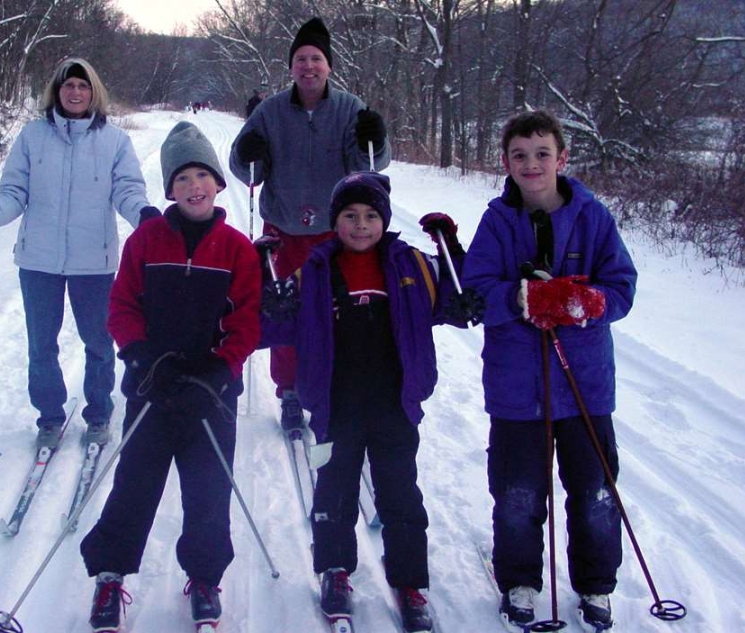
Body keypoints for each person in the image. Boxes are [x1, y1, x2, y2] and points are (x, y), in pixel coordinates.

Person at [259, 172, 478, 633]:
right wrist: (269, 292)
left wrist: (450, 248)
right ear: (334, 221)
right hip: (335, 406)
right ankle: (335, 572)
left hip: (394, 403)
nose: (361, 225)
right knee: (333, 489)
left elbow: (459, 306)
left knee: (399, 493)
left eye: (371, 216)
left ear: (385, 219)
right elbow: (272, 330)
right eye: (350, 216)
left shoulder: (412, 264)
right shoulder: (314, 269)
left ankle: (410, 583)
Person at [80, 121, 261, 633]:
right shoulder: (146, 241)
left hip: (211, 394)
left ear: (219, 184)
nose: (193, 186)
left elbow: (247, 320)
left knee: (208, 490)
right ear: (169, 189)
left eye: (202, 175)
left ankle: (204, 578)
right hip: (152, 389)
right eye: (182, 179)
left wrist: (220, 370)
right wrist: (139, 357)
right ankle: (110, 576)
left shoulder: (236, 249)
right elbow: (121, 306)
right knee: (134, 486)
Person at [460, 110, 637, 632]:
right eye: (520, 155)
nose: (531, 164)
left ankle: (597, 585)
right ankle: (519, 579)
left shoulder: (592, 217)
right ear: (506, 162)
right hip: (518, 389)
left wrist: (580, 299)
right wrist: (520, 297)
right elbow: (475, 295)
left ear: (562, 158)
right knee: (517, 494)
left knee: (595, 493)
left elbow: (621, 288)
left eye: (542, 154)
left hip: (584, 387)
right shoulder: (496, 221)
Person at [0, 57, 160, 449]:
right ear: (57, 91)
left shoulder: (114, 141)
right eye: (68, 85)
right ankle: (49, 418)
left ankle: (99, 412)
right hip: (39, 261)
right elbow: (15, 192)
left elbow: (126, 190)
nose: (75, 92)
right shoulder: (33, 137)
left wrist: (145, 215)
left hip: (95, 261)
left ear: (94, 92)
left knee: (100, 342)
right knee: (42, 344)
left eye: (83, 86)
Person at [230, 16, 392, 432]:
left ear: (329, 66)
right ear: (291, 67)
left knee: (334, 312)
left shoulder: (349, 108)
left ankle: (332, 383)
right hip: (283, 229)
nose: (308, 66)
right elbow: (248, 171)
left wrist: (377, 138)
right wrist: (248, 151)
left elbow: (368, 166)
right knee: (285, 312)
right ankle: (289, 391)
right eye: (301, 59)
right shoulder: (269, 111)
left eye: (316, 58)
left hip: (332, 232)